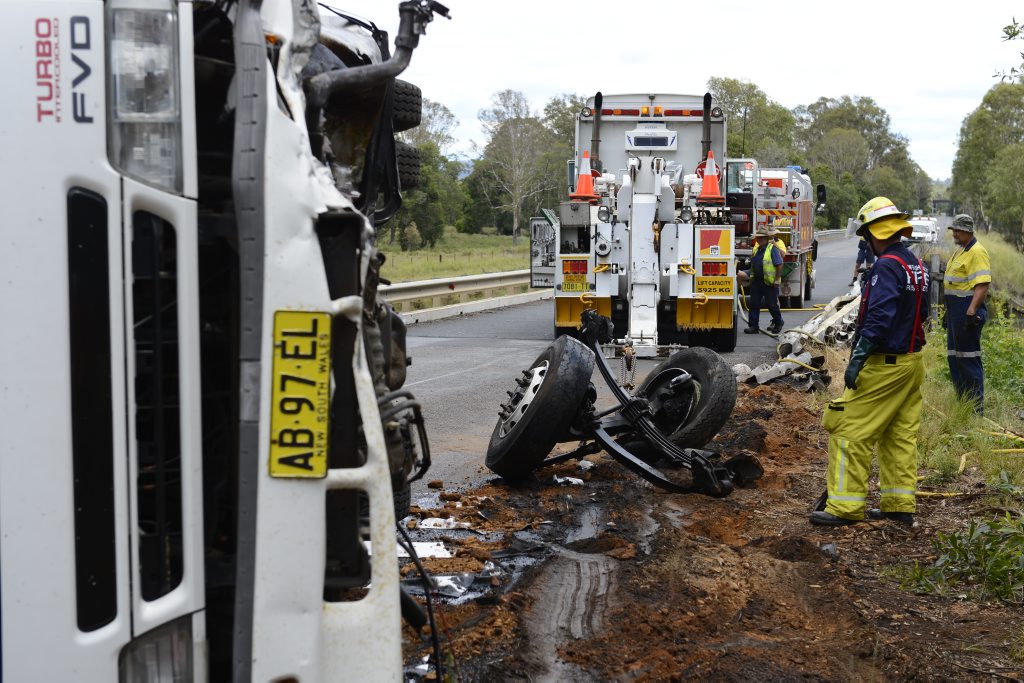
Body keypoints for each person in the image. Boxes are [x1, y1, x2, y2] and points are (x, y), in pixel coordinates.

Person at [811, 197, 930, 527]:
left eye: (866, 236)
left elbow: (879, 317)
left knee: (849, 429)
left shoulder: (887, 266)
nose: (867, 242)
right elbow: (924, 315)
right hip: (911, 362)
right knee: (898, 434)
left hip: (885, 364)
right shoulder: (915, 266)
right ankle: (899, 505)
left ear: (876, 235)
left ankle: (845, 507)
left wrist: (858, 358)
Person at [944, 213, 991, 414]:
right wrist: (949, 313)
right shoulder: (961, 251)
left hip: (967, 312)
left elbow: (982, 284)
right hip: (956, 312)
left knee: (968, 358)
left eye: (957, 230)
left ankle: (975, 410)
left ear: (967, 230)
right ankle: (964, 403)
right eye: (953, 229)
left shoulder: (977, 252)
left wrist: (971, 311)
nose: (954, 233)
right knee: (955, 358)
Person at [743, 227, 785, 335]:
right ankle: (753, 326)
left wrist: (776, 280)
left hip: (769, 283)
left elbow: (779, 264)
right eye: (758, 238)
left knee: (772, 305)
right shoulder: (757, 249)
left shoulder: (772, 249)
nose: (759, 240)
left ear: (767, 238)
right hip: (756, 282)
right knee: (754, 304)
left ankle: (778, 322)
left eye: (762, 238)